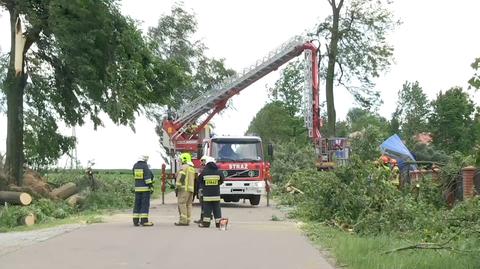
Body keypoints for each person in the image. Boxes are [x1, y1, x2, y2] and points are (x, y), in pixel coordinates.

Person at [197, 156, 224, 228]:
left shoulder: (204, 172)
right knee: (217, 209)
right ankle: (218, 224)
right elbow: (221, 181)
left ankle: (206, 224)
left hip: (207, 195)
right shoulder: (219, 172)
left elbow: (199, 180)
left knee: (207, 209)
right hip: (216, 194)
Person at [132, 155, 154, 227]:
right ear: (145, 160)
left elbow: (134, 175)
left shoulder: (135, 166)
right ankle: (144, 221)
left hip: (137, 188)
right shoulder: (145, 166)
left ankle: (135, 220)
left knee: (137, 204)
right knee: (144, 204)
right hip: (145, 189)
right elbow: (147, 177)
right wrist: (150, 186)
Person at [175, 152, 196, 226]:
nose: (180, 161)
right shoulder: (192, 168)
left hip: (184, 189)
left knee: (182, 203)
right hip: (191, 190)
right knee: (188, 205)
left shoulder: (184, 167)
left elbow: (182, 176)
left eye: (180, 159)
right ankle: (187, 220)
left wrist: (177, 185)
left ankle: (183, 221)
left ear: (184, 159)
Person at [193, 155, 208, 224]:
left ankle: (204, 219)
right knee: (202, 205)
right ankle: (202, 218)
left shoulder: (205, 169)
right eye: (201, 161)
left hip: (203, 189)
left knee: (204, 205)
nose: (202, 162)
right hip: (201, 188)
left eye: (203, 161)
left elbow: (200, 179)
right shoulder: (202, 168)